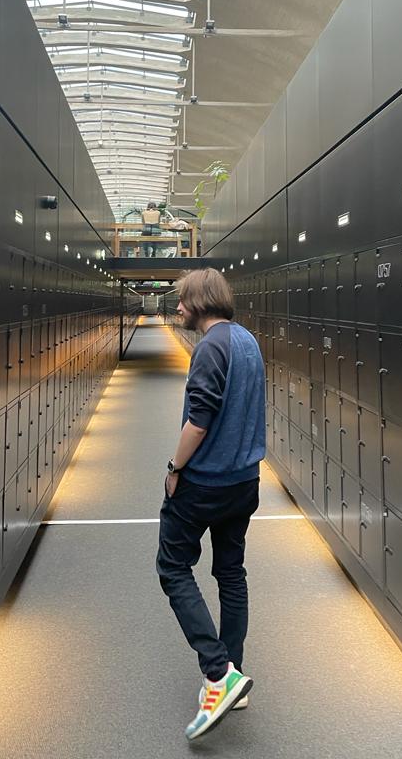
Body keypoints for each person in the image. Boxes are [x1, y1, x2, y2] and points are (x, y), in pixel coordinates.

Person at [156, 268, 266, 741]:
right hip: (244, 482)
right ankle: (234, 677)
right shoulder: (247, 341)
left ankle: (219, 673)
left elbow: (198, 421)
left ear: (200, 302)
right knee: (231, 573)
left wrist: (174, 468)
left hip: (204, 483)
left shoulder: (210, 348)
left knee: (172, 567)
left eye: (182, 301)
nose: (178, 308)